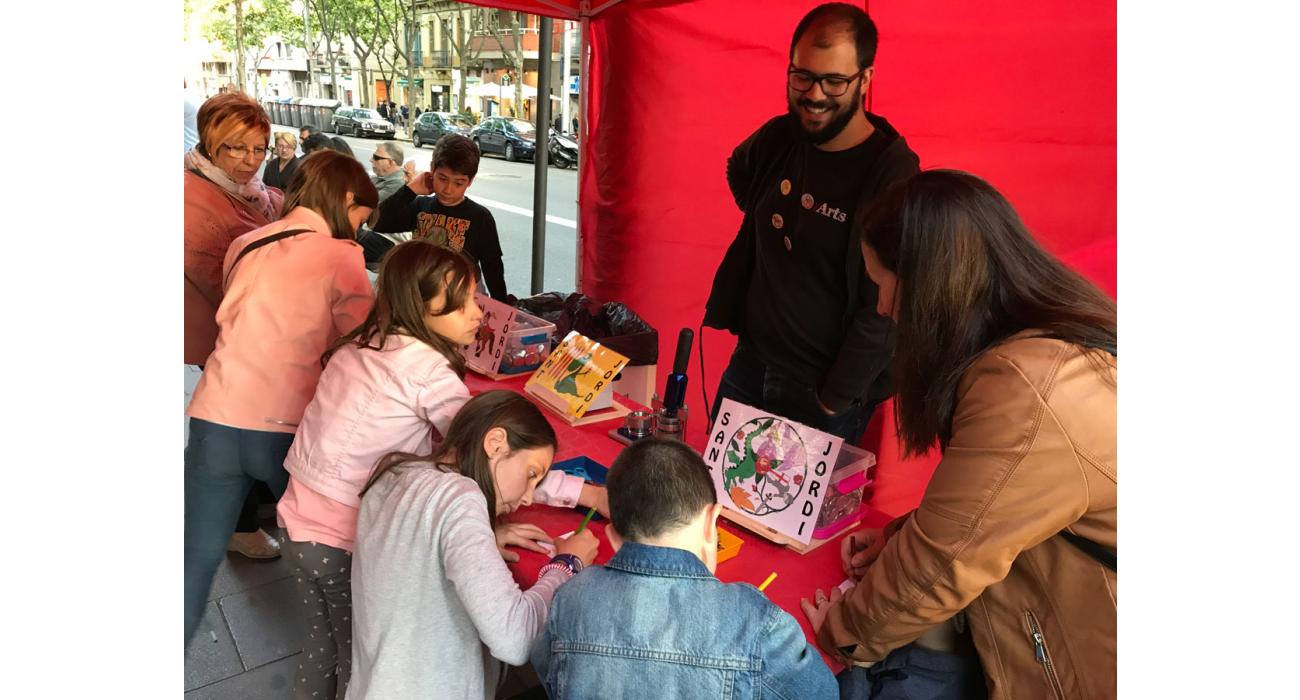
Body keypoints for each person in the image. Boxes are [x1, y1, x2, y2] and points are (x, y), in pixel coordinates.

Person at [801, 170, 1117, 699]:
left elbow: (943, 562)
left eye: (884, 286)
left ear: (929, 285)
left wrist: (845, 632)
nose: (882, 308)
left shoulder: (1027, 388)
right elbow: (996, 503)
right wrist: (898, 534)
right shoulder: (1043, 347)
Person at [278, 243, 610, 697]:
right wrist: (588, 495)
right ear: (420, 308)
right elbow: (485, 448)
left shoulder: (363, 343)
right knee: (362, 660)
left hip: (296, 520)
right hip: (339, 535)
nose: (477, 313)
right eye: (460, 304)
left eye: (474, 296)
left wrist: (482, 532)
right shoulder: (426, 372)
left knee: (324, 650)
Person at [184, 150, 379, 646]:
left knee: (192, 564)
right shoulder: (343, 256)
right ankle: (352, 647)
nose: (358, 228)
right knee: (333, 543)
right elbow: (362, 345)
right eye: (361, 215)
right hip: (284, 428)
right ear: (346, 200)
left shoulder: (245, 244)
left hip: (215, 414)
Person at [703, 2, 919, 444]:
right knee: (713, 504)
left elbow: (887, 307)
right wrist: (768, 220)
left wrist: (835, 398)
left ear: (865, 80)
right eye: (802, 76)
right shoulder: (781, 136)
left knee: (794, 515)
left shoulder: (893, 175)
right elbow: (738, 168)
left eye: (834, 81)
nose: (815, 95)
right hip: (750, 364)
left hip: (821, 394)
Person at [531, 438, 837, 699]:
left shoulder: (570, 598)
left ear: (612, 537)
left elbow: (549, 673)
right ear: (711, 521)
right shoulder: (756, 622)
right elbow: (823, 693)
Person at [348, 390, 601, 699]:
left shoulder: (394, 472)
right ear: (495, 444)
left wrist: (481, 535)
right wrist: (565, 567)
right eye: (531, 474)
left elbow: (408, 550)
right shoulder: (461, 499)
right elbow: (514, 638)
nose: (527, 497)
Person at [184, 92, 286, 561]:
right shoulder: (193, 199)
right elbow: (220, 284)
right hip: (230, 334)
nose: (250, 161)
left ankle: (255, 505)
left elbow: (273, 210)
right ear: (210, 145)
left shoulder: (245, 190)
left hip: (256, 333)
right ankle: (236, 524)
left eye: (259, 148)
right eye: (236, 148)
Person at [370, 134, 509, 301]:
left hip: (463, 301)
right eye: (442, 179)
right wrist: (409, 190)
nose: (448, 189)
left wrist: (502, 308)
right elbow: (376, 222)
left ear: (470, 181)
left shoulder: (480, 217)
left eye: (459, 183)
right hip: (420, 297)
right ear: (432, 170)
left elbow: (492, 268)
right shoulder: (420, 207)